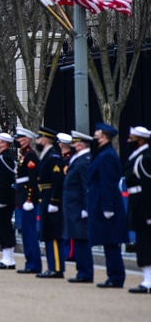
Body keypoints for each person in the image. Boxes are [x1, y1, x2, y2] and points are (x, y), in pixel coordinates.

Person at [87, 123, 127, 288]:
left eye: (97, 136)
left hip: (108, 206)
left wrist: (108, 206)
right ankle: (114, 275)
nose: (95, 139)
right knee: (108, 242)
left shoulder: (107, 156)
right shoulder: (103, 154)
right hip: (104, 204)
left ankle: (116, 277)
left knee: (111, 242)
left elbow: (108, 183)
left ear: (104, 137)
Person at [63, 131, 94, 283]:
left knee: (82, 240)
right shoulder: (79, 159)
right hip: (74, 206)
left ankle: (85, 272)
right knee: (78, 238)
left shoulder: (84, 161)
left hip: (79, 207)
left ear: (81, 145)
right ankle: (82, 271)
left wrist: (85, 208)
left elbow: (86, 186)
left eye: (74, 143)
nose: (72, 146)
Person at [36, 127, 66, 278]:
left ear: (45, 139)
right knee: (47, 233)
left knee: (53, 234)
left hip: (51, 198)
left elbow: (57, 181)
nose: (37, 141)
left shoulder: (53, 157)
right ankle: (52, 266)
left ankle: (57, 268)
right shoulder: (46, 156)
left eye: (39, 138)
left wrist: (54, 201)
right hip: (45, 196)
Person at [124, 126, 151, 293]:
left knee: (146, 243)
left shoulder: (145, 158)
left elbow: (148, 187)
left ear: (141, 140)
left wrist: (149, 213)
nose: (128, 140)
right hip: (137, 204)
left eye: (131, 138)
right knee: (142, 243)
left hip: (144, 206)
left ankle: (148, 281)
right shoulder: (139, 156)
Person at [14, 128, 43, 274]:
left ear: (27, 139)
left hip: (28, 199)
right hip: (22, 198)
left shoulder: (30, 156)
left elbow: (33, 180)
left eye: (20, 138)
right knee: (26, 233)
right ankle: (30, 262)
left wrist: (30, 199)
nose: (18, 141)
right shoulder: (24, 155)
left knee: (30, 232)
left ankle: (33, 264)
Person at [0, 133, 18, 270]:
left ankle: (9, 258)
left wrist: (2, 199)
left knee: (5, 227)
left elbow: (6, 180)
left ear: (5, 143)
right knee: (2, 227)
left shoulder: (5, 158)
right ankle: (7, 257)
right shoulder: (0, 157)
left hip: (3, 199)